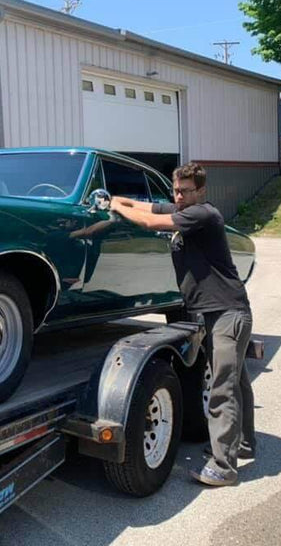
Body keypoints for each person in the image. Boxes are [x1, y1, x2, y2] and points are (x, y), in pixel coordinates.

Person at [110, 163, 255, 487]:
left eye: (185, 191)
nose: (178, 196)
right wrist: (118, 198)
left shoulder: (202, 214)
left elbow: (149, 221)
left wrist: (118, 207)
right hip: (220, 313)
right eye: (175, 190)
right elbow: (148, 207)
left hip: (228, 314)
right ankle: (242, 444)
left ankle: (224, 467)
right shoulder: (183, 207)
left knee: (222, 389)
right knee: (237, 382)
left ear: (201, 191)